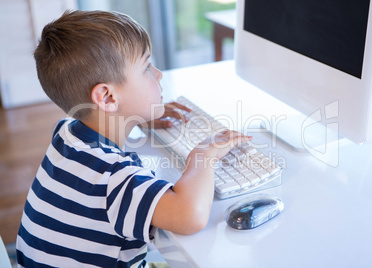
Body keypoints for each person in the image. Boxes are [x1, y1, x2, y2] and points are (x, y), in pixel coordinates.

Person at [16, 10, 252, 267]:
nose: (159, 74)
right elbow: (190, 216)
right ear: (107, 98)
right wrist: (202, 155)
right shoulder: (113, 178)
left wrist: (138, 115)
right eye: (147, 67)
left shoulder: (64, 132)